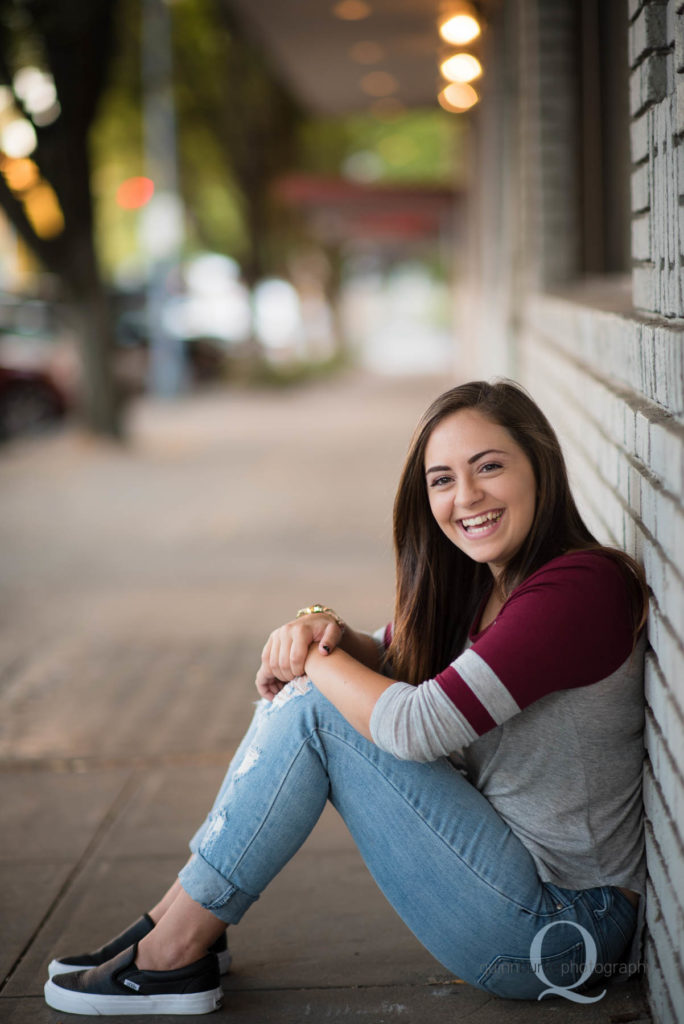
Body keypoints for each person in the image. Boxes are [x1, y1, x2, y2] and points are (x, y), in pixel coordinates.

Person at [44, 379, 648, 1016]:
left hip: (565, 928)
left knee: (314, 709)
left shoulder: (579, 588)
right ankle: (178, 922)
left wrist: (313, 662)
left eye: (489, 468)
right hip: (523, 892)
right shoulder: (490, 585)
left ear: (541, 468)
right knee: (317, 693)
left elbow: (418, 726)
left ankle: (173, 953)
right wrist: (320, 626)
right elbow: (391, 652)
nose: (466, 497)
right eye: (442, 480)